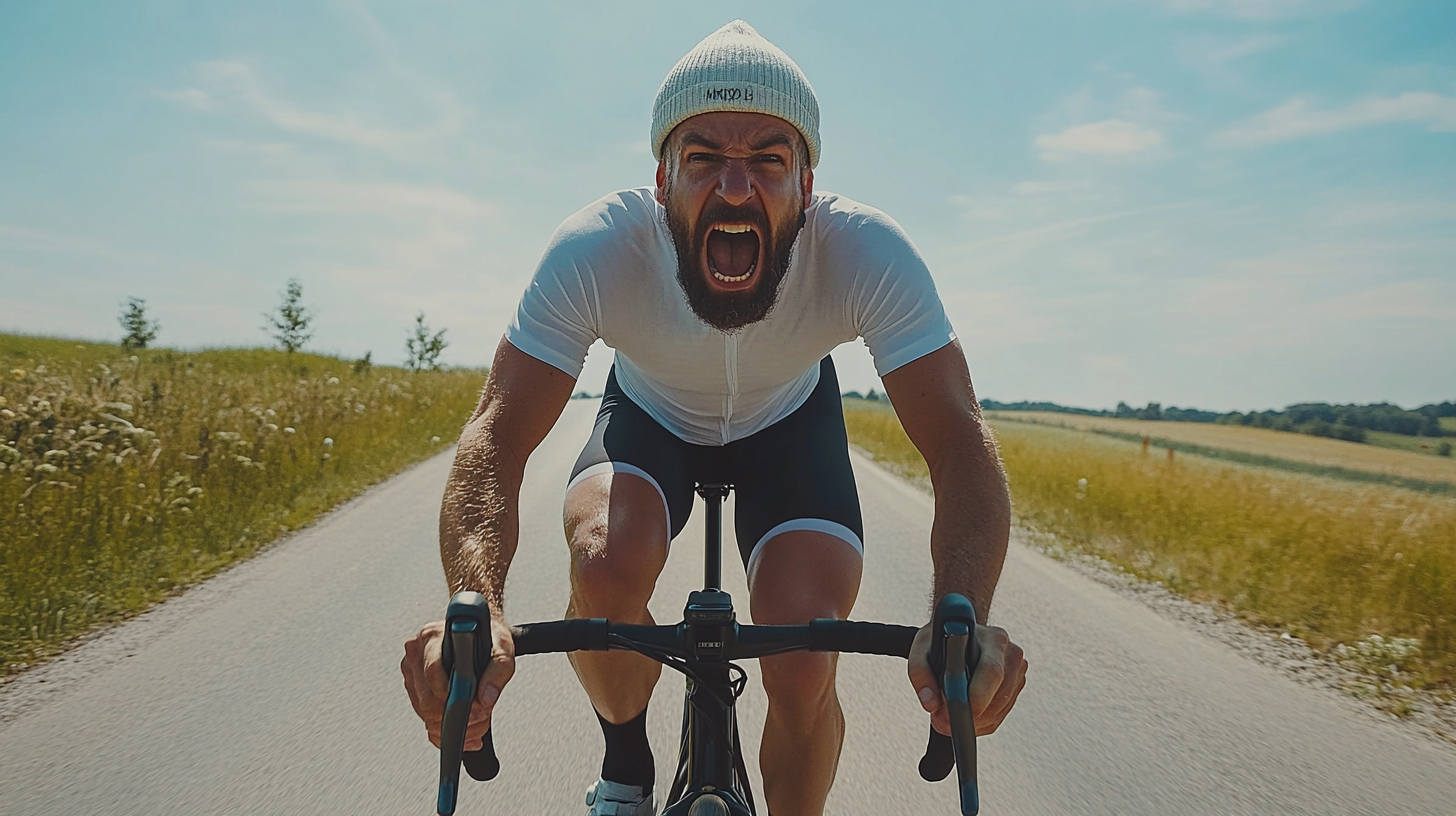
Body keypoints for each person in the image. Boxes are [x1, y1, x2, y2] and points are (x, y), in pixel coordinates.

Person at [401, 20, 1028, 816]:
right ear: (662, 182)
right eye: (703, 158)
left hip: (789, 425)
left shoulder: (868, 252)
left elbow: (960, 446)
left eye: (769, 158)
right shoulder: (595, 248)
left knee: (804, 649)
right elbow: (495, 437)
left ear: (807, 185)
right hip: (651, 414)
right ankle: (626, 763)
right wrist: (477, 604)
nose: (736, 188)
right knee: (602, 566)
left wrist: (959, 613)